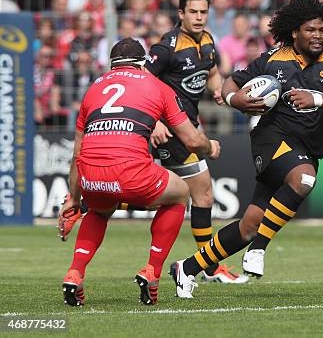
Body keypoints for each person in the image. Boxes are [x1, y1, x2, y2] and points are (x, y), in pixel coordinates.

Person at [169, 0, 323, 298]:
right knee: (305, 178)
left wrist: (318, 98)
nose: (317, 36)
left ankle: (188, 268)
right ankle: (258, 250)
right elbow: (231, 83)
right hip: (271, 140)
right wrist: (236, 99)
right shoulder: (273, 58)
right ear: (295, 32)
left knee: (249, 224)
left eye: (322, 30)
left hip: (306, 149)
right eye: (310, 30)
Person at [58, 38, 220, 306]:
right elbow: (191, 140)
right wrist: (210, 147)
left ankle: (75, 272)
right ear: (143, 64)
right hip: (131, 171)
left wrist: (74, 200)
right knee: (181, 193)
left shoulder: (93, 90)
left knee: (100, 210)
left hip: (91, 175)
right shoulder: (157, 86)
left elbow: (77, 154)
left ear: (111, 65)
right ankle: (152, 271)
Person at [144, 0, 249, 284]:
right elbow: (143, 83)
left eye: (203, 11)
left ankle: (207, 265)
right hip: (171, 130)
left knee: (190, 195)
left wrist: (216, 87)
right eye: (193, 11)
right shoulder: (167, 47)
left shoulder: (207, 40)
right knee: (201, 193)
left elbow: (213, 70)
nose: (199, 17)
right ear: (181, 14)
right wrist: (154, 123)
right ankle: (209, 266)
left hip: (188, 124)